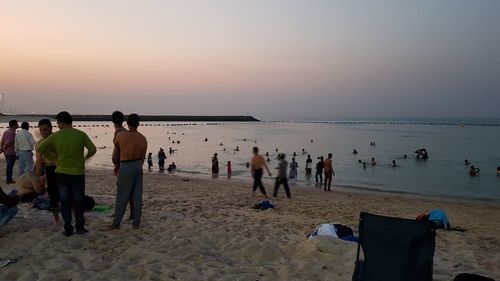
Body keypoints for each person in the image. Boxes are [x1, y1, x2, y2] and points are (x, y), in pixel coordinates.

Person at [37, 111, 96, 236]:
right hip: (78, 172)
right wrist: (84, 159)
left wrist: (53, 159)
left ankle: (68, 228)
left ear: (61, 123)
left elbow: (40, 148)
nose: (58, 126)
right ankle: (79, 227)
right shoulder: (80, 134)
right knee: (78, 200)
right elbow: (93, 149)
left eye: (58, 123)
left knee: (65, 201)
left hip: (62, 172)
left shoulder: (56, 136)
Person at [110, 113, 147, 229]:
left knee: (122, 196)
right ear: (138, 124)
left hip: (126, 165)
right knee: (137, 196)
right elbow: (142, 159)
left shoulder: (121, 135)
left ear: (127, 123)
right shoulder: (143, 138)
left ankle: (116, 224)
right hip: (138, 166)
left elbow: (115, 157)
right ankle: (136, 223)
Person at [35, 119, 60, 223]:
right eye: (41, 130)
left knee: (64, 191)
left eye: (45, 130)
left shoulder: (58, 139)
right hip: (50, 168)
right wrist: (37, 177)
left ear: (51, 128)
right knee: (53, 193)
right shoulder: (39, 143)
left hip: (62, 168)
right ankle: (57, 218)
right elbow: (39, 162)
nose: (43, 132)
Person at [111, 111, 134, 220]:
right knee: (129, 191)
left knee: (121, 190)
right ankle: (132, 213)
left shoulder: (118, 132)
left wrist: (115, 161)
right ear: (123, 119)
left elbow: (117, 151)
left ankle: (118, 213)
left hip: (122, 164)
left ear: (112, 120)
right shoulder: (126, 131)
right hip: (127, 163)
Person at [0, 120, 19, 184]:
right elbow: (8, 143)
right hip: (11, 152)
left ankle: (9, 179)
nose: (18, 125)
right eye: (17, 124)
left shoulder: (6, 131)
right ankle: (9, 180)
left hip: (7, 152)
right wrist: (2, 149)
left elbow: (2, 140)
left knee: (9, 166)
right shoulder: (12, 133)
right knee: (10, 166)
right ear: (13, 125)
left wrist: (1, 148)